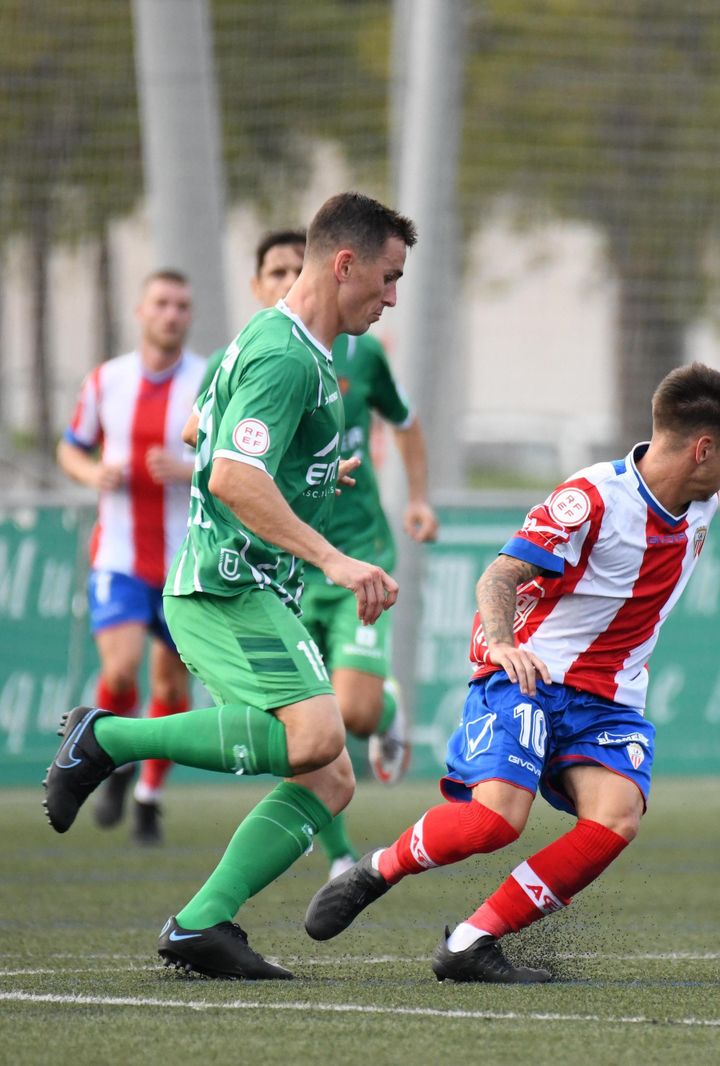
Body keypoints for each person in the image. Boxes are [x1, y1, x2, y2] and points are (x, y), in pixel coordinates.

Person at [43, 191, 412, 980]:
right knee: (317, 739)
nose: (390, 298)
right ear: (343, 263)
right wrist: (334, 558)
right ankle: (106, 738)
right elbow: (235, 476)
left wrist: (316, 471)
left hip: (247, 587)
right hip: (225, 585)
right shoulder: (285, 355)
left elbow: (203, 439)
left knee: (331, 774)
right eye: (386, 278)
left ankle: (201, 924)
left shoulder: (293, 346)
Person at [302, 363, 720, 984]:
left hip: (609, 698)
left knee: (617, 817)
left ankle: (470, 941)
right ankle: (382, 866)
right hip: (527, 676)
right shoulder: (591, 498)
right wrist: (501, 643)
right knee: (495, 822)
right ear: (702, 449)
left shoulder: (701, 501)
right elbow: (499, 576)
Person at [191, 228, 440, 879]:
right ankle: (337, 859)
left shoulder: (354, 356)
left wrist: (416, 497)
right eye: (273, 271)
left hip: (353, 548)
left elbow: (405, 422)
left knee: (349, 716)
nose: (389, 296)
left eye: (290, 268)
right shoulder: (270, 352)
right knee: (315, 732)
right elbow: (207, 438)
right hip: (291, 560)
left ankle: (385, 709)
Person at [56, 271, 206, 845]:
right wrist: (94, 472)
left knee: (170, 688)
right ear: (142, 311)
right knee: (118, 671)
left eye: (182, 306)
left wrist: (189, 469)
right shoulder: (106, 380)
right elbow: (70, 446)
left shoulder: (205, 380)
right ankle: (111, 757)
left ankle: (149, 794)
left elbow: (228, 460)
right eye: (162, 304)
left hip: (183, 561)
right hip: (118, 555)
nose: (172, 314)